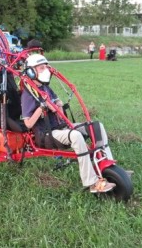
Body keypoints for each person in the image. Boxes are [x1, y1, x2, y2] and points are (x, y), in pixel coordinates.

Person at [21, 54, 116, 193]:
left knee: (96, 127)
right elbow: (28, 124)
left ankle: (108, 167)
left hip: (60, 127)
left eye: (46, 67)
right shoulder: (28, 95)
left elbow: (57, 104)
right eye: (41, 68)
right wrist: (41, 107)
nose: (46, 70)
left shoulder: (46, 88)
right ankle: (91, 182)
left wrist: (57, 104)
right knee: (76, 136)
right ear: (31, 71)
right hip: (46, 133)